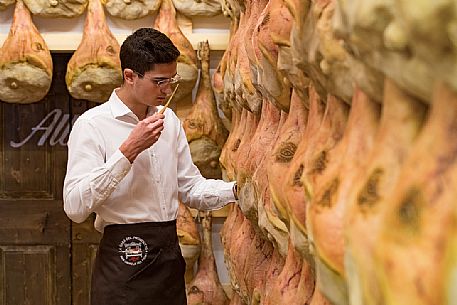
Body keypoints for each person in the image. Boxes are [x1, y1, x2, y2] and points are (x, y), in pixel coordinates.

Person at [63, 27, 237, 305]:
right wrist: (128, 150)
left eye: (172, 80)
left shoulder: (170, 123)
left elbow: (191, 189)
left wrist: (238, 191)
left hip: (169, 258)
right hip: (122, 262)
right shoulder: (91, 125)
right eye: (159, 81)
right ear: (129, 76)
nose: (167, 90)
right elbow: (74, 207)